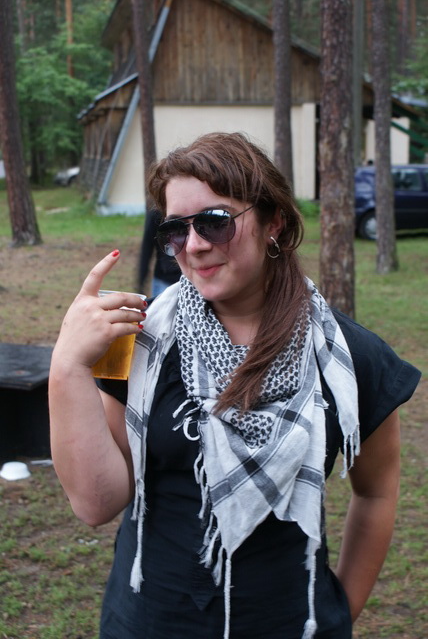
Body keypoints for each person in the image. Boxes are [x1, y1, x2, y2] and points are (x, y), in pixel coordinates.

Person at [49, 132, 421, 639]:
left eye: (215, 221)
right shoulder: (137, 341)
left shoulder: (351, 358)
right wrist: (67, 365)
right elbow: (97, 503)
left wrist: (339, 613)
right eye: (176, 230)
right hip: (148, 623)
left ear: (274, 223)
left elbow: (376, 494)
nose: (194, 245)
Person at [138, 208, 181, 296]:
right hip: (164, 279)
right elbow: (147, 250)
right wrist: (141, 281)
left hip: (187, 278)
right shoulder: (155, 214)